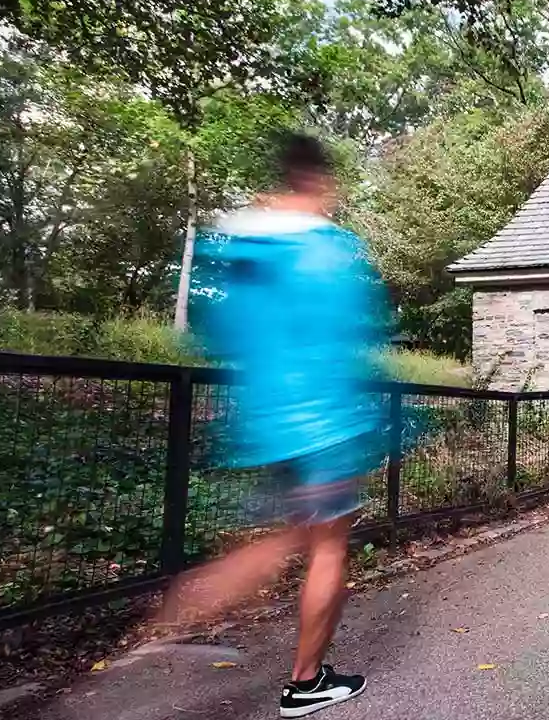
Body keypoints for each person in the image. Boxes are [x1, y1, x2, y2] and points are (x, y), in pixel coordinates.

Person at [158, 134, 387, 718]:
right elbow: (354, 338)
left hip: (266, 421)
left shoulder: (240, 243)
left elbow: (216, 331)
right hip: (326, 423)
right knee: (325, 549)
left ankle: (196, 597)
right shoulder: (331, 250)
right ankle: (304, 681)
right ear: (318, 183)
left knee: (293, 537)